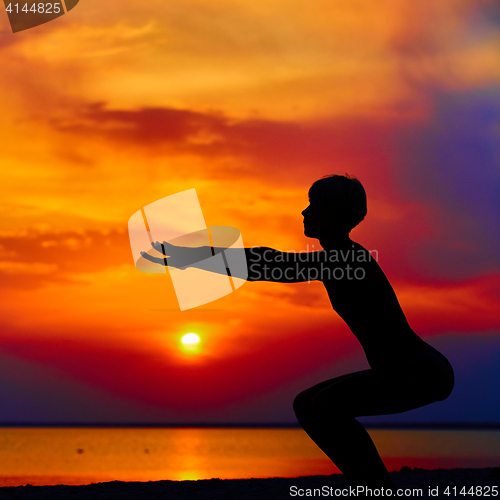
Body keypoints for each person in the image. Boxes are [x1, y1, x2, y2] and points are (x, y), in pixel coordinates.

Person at [141, 174, 454, 489]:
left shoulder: (348, 259)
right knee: (307, 404)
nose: (304, 212)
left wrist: (192, 255)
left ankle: (377, 489)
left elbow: (268, 263)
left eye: (313, 205)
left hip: (419, 370)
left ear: (331, 211)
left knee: (326, 405)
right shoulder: (340, 259)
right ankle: (369, 485)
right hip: (409, 369)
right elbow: (268, 262)